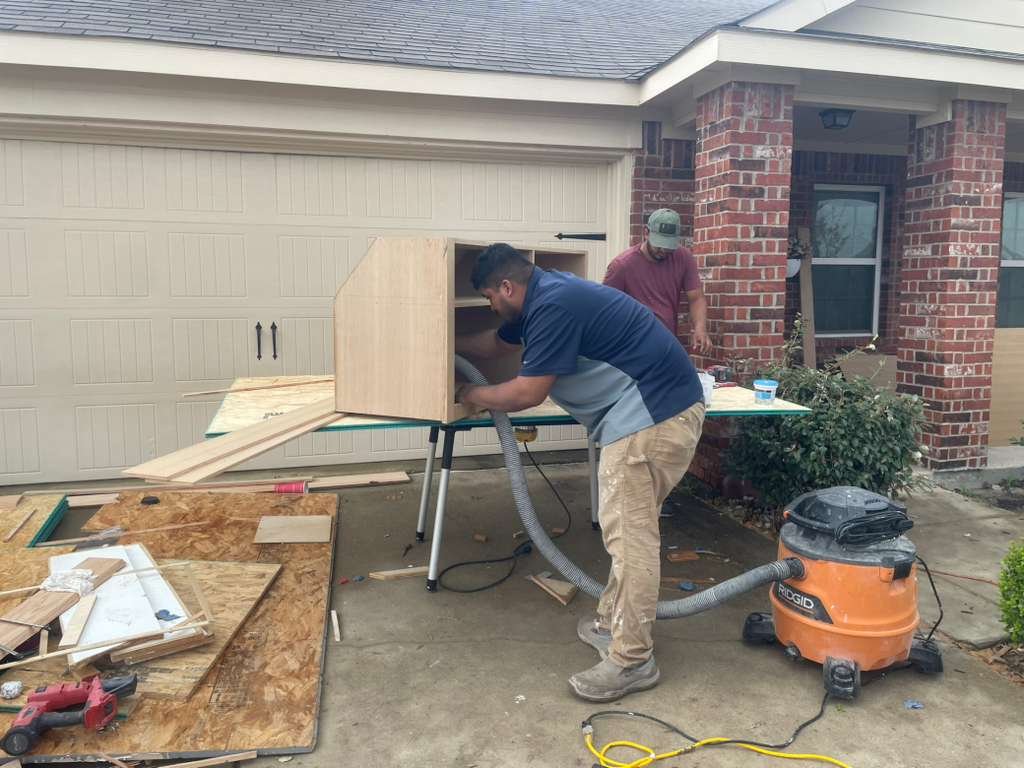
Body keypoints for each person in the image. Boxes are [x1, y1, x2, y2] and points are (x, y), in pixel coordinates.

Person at [455, 243, 705, 702]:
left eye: (489, 297)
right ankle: (613, 626)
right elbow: (493, 343)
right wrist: (447, 342)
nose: (490, 307)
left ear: (506, 287)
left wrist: (471, 393)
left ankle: (633, 661)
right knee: (626, 534)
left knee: (631, 541)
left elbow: (528, 392)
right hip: (653, 414)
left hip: (652, 418)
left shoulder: (552, 306)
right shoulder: (542, 298)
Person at [604, 208, 712, 355]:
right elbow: (607, 309)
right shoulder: (622, 266)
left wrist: (700, 328)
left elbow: (696, 298)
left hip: (667, 343)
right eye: (659, 244)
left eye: (668, 246)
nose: (663, 250)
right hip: (633, 345)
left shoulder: (683, 257)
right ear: (646, 232)